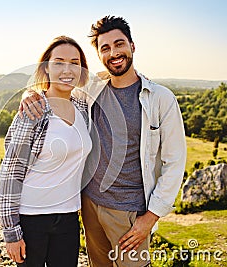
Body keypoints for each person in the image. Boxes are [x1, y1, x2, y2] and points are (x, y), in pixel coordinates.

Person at [20, 16, 187, 267]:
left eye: (119, 44)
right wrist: (30, 93)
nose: (114, 53)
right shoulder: (91, 91)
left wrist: (150, 218)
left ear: (132, 46)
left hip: (130, 213)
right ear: (99, 54)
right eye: (105, 48)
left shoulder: (160, 99)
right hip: (90, 206)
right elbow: (54, 90)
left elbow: (174, 162)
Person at [0, 36, 92, 267]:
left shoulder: (83, 107)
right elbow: (10, 172)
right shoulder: (33, 110)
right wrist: (11, 233)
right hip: (31, 218)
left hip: (69, 216)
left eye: (74, 63)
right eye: (59, 62)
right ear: (46, 68)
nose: (67, 69)